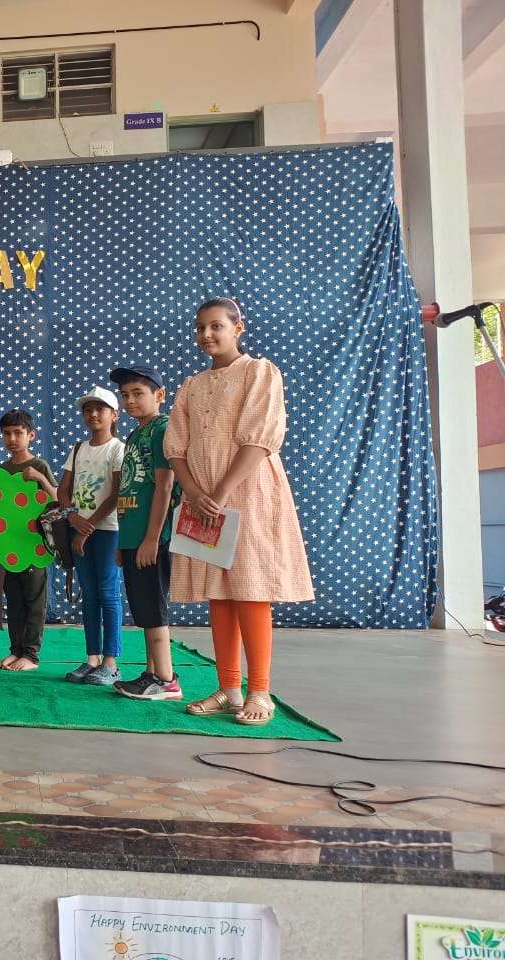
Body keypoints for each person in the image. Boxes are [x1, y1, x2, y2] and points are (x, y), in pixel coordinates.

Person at [166, 297, 314, 726]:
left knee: (250, 590)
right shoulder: (192, 386)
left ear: (238, 327)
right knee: (219, 593)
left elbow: (261, 437)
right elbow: (175, 447)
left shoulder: (259, 372)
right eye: (200, 328)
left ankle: (260, 691)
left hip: (249, 493)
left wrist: (222, 491)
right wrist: (194, 492)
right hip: (202, 499)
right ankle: (228, 688)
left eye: (216, 326)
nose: (206, 335)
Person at [107, 365, 182, 702]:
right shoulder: (137, 435)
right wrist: (124, 542)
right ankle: (152, 672)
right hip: (133, 538)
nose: (130, 401)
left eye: (138, 393)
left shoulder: (162, 429)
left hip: (153, 538)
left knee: (152, 606)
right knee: (143, 607)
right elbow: (130, 488)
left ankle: (166, 680)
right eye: (125, 395)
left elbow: (165, 486)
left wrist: (152, 538)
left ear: (159, 395)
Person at [58, 386, 125, 686]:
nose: (94, 414)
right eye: (88, 409)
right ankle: (92, 659)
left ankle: (111, 663)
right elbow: (63, 489)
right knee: (89, 594)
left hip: (108, 531)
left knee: (108, 592)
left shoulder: (117, 449)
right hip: (79, 528)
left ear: (114, 415)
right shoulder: (78, 449)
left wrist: (88, 526)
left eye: (100, 409)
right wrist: (72, 516)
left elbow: (117, 492)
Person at [0, 409, 57, 671]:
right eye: (7, 434)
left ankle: (31, 654)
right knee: (15, 601)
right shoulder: (1, 470)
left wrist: (39, 478)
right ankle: (15, 650)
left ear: (31, 435)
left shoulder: (39, 466)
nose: (12, 439)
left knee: (34, 601)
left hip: (34, 546)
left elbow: (57, 500)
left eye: (18, 433)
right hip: (9, 547)